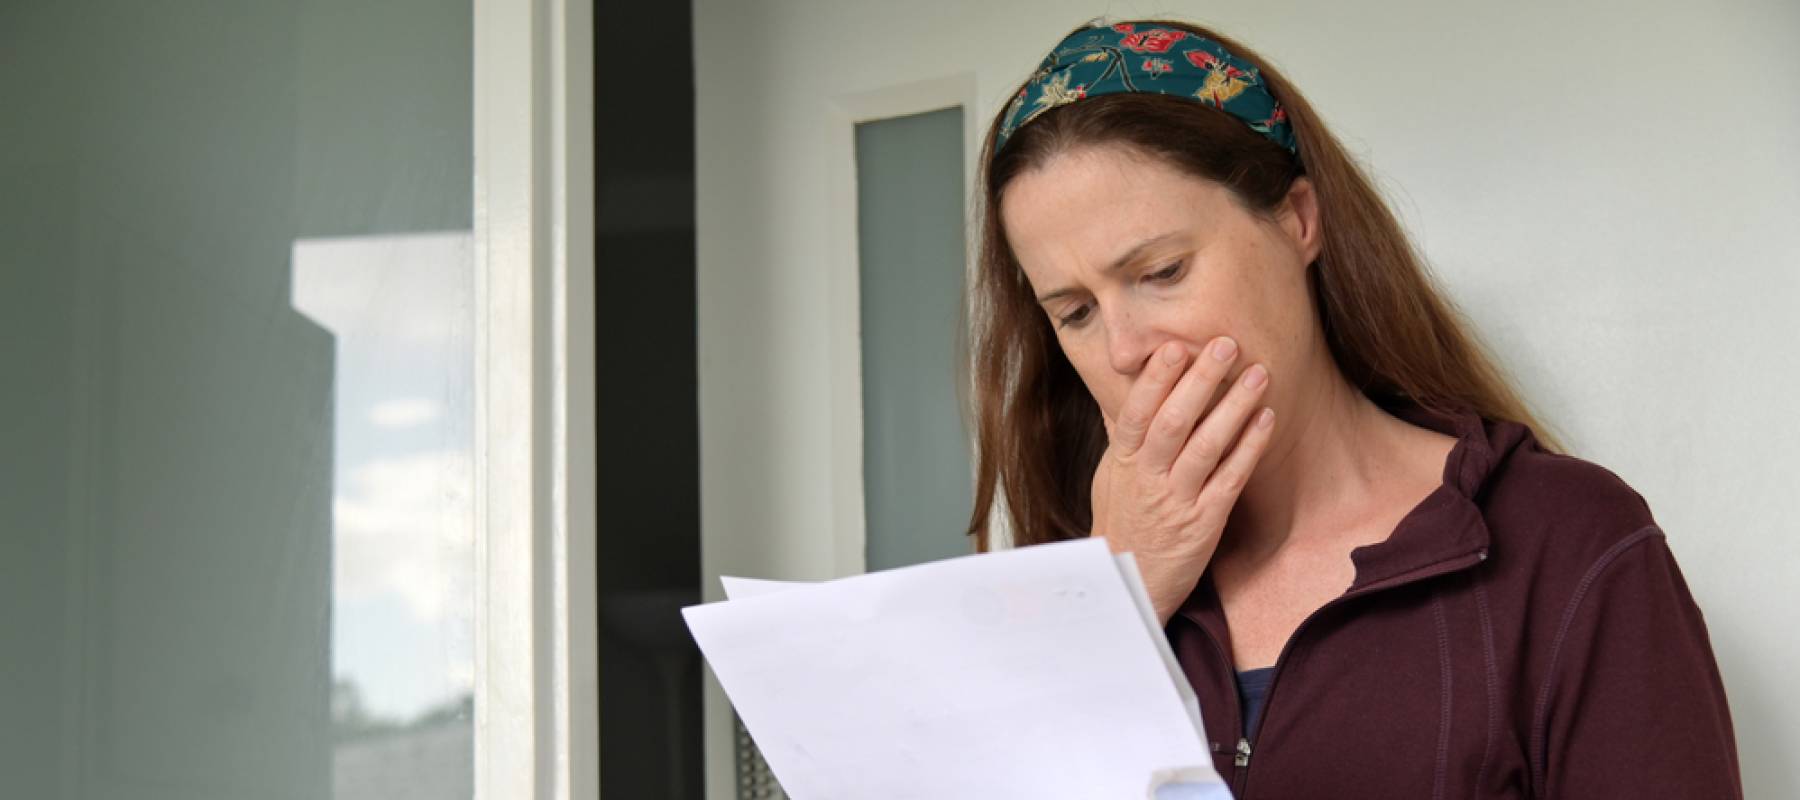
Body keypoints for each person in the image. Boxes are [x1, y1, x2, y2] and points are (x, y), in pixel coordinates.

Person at [964, 18, 1742, 798]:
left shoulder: (1568, 544)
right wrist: (1117, 595)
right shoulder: (1066, 590)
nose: (1124, 348)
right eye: (1075, 314)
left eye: (1162, 271)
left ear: (1299, 219)